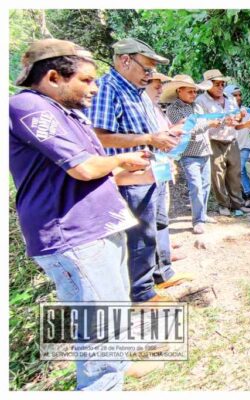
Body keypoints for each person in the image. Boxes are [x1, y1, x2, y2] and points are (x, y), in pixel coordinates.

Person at [10, 38, 150, 390]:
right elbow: (84, 168)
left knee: (112, 304)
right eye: (86, 80)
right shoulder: (28, 106)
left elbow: (99, 171)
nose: (94, 88)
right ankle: (102, 384)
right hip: (72, 232)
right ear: (53, 77)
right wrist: (122, 159)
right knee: (98, 321)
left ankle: (117, 364)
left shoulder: (69, 113)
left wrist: (133, 169)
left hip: (99, 226)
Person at [87, 38, 187, 303]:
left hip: (152, 171)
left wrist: (166, 136)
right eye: (147, 68)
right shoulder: (108, 89)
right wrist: (150, 139)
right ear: (125, 60)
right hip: (131, 178)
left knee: (155, 228)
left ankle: (159, 276)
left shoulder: (138, 92)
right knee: (140, 236)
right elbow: (99, 136)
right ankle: (142, 293)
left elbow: (150, 132)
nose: (150, 75)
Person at [144, 72, 190, 277]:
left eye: (161, 86)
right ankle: (160, 264)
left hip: (161, 167)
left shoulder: (154, 108)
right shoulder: (143, 108)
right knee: (154, 217)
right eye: (156, 86)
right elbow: (153, 139)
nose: (160, 90)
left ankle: (165, 254)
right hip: (150, 171)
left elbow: (162, 135)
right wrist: (174, 131)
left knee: (162, 213)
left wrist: (174, 130)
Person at [195, 69, 250, 217]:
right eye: (217, 84)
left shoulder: (230, 99)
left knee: (235, 173)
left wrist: (241, 118)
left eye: (222, 84)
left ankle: (237, 204)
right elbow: (201, 123)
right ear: (208, 85)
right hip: (214, 141)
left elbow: (235, 122)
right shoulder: (200, 101)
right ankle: (223, 204)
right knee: (217, 174)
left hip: (231, 140)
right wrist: (222, 121)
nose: (221, 87)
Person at [163, 74, 217, 234]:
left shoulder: (197, 106)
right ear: (179, 91)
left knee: (205, 185)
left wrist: (212, 123)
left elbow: (202, 123)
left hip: (204, 151)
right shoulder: (173, 110)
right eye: (190, 92)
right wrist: (209, 124)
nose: (194, 95)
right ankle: (198, 220)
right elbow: (186, 130)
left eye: (195, 91)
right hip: (189, 154)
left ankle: (202, 214)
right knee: (196, 187)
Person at [225, 84, 250, 207]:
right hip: (230, 147)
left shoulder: (247, 111)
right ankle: (248, 192)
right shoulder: (225, 113)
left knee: (239, 169)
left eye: (239, 95)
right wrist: (246, 124)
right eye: (235, 95)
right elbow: (232, 127)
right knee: (240, 170)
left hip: (244, 146)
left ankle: (244, 195)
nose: (239, 97)